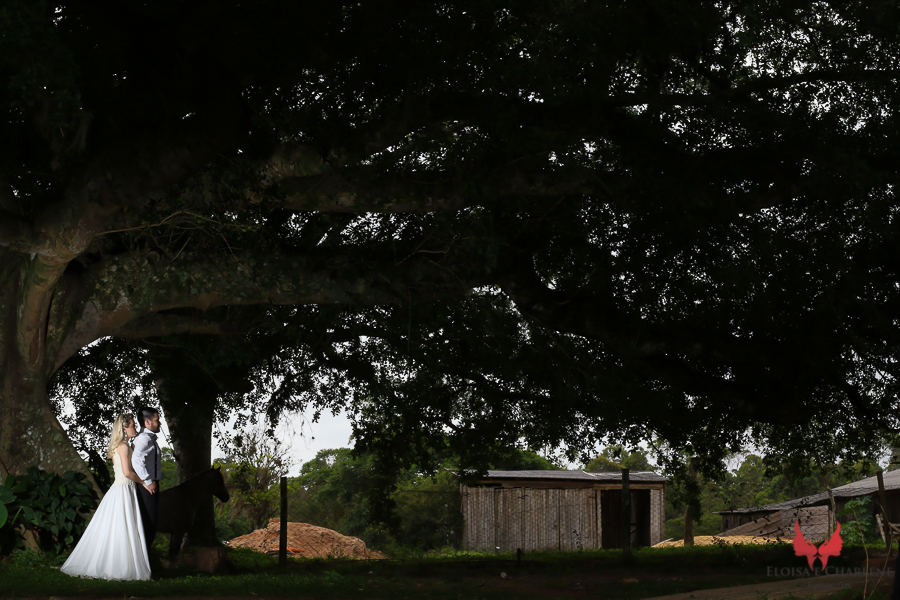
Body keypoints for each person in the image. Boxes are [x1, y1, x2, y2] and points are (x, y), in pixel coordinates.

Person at [61, 414, 151, 580]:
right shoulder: (123, 447)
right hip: (123, 489)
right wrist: (144, 482)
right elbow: (127, 472)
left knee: (121, 527)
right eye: (133, 425)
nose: (136, 428)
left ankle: (122, 564)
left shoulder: (124, 446)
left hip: (125, 489)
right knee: (122, 527)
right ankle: (119, 566)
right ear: (124, 428)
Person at [131, 406, 162, 557]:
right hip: (147, 487)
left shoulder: (147, 438)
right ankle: (145, 560)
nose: (160, 423)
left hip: (147, 485)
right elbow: (137, 460)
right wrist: (148, 481)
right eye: (157, 420)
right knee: (149, 523)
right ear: (148, 422)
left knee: (149, 523)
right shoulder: (145, 439)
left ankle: (145, 558)